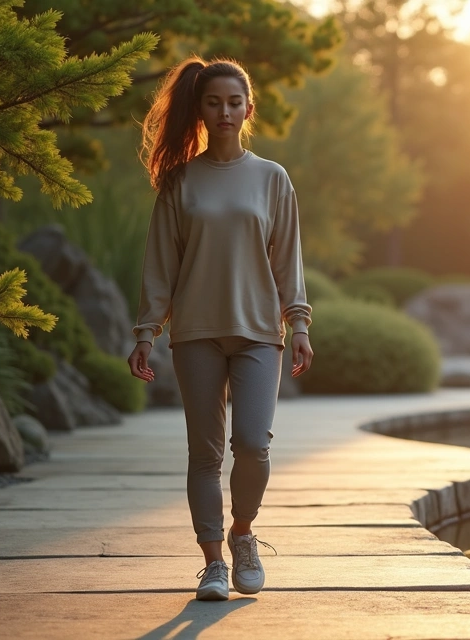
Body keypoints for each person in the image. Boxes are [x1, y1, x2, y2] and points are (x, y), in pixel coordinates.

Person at [126, 57, 314, 601]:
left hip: (259, 331)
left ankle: (243, 533)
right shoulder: (180, 182)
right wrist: (146, 331)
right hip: (196, 333)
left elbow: (288, 261)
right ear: (201, 109)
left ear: (248, 109)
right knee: (205, 455)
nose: (225, 111)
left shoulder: (273, 178)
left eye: (234, 102)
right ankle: (212, 562)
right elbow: (160, 264)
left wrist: (298, 321)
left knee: (253, 445)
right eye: (214, 102)